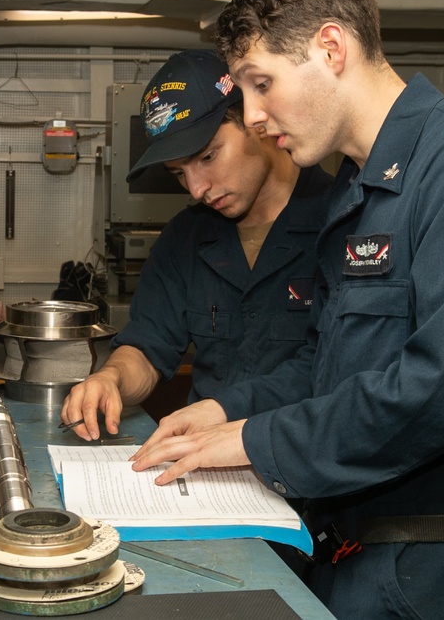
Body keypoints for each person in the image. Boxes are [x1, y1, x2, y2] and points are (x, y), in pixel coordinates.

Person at [129, 0, 444, 618]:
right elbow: (328, 364)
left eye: (261, 83)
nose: (252, 115)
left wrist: (253, 441)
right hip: (348, 559)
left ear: (332, 47)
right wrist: (225, 411)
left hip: (441, 577)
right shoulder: (357, 195)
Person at [61, 49, 332, 442]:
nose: (196, 188)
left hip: (305, 474)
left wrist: (226, 410)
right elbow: (147, 348)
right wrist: (111, 378)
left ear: (257, 119)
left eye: (207, 156)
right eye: (178, 174)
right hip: (209, 476)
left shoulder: (343, 223)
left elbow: (335, 370)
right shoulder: (186, 238)